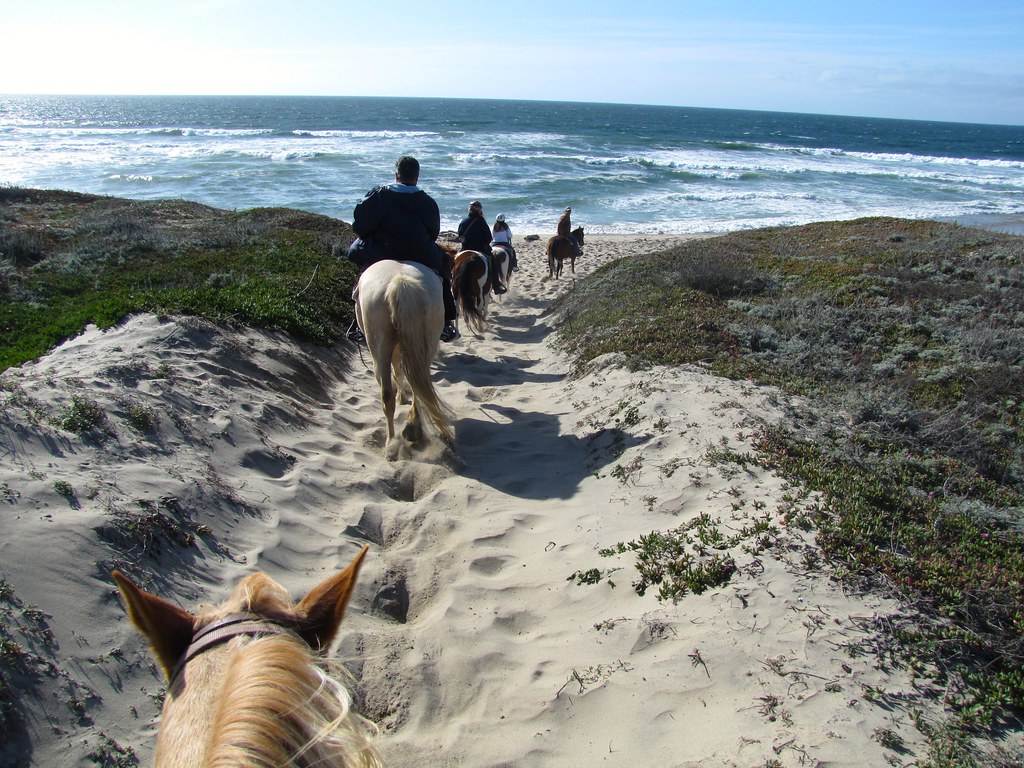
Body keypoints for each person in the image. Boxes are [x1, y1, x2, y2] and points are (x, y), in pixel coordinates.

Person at [346, 155, 460, 343]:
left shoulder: (378, 195)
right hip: (420, 250)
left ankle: (356, 323)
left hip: (382, 249)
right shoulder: (427, 201)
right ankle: (446, 321)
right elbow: (433, 232)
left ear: (396, 174)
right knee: (442, 270)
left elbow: (360, 226)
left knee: (355, 257)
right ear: (417, 176)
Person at [458, 200, 505, 295]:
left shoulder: (463, 221)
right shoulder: (481, 222)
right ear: (479, 210)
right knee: (492, 262)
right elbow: (488, 238)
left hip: (465, 249)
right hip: (480, 249)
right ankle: (496, 286)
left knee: (455, 262)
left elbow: (460, 235)